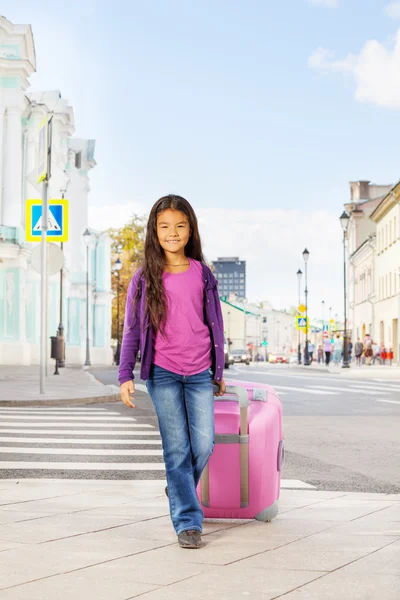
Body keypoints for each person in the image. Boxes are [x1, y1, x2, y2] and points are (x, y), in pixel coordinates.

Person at [118, 195, 226, 550]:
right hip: (161, 371)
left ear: (190, 229)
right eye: (164, 226)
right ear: (155, 231)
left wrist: (218, 369)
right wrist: (125, 375)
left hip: (199, 371)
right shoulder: (144, 277)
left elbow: (216, 325)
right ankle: (187, 522)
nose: (172, 232)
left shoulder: (202, 273)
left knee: (205, 444)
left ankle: (177, 486)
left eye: (180, 225)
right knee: (176, 449)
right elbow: (132, 329)